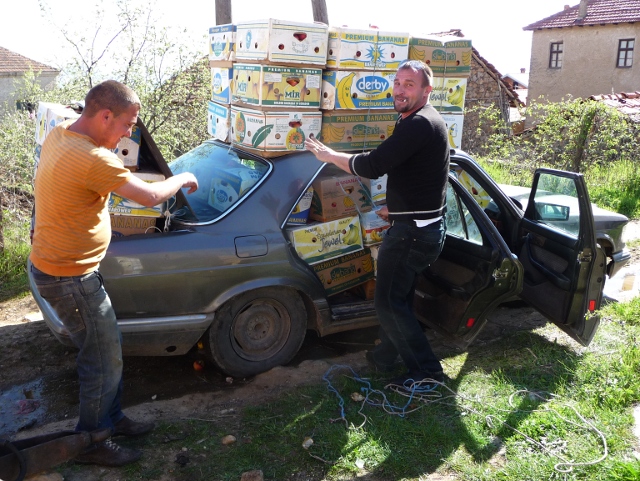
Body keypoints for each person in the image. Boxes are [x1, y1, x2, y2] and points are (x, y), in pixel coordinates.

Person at [29, 80, 198, 466]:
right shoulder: (94, 159)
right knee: (101, 359)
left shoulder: (62, 133)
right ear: (105, 116)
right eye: (126, 125)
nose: (127, 134)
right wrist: (183, 177)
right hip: (70, 278)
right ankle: (92, 441)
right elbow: (151, 197)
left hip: (61, 269)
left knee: (108, 350)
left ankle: (112, 418)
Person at [304, 60, 449, 389]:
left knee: (387, 304)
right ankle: (386, 356)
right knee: (399, 299)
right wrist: (395, 208)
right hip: (421, 227)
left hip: (412, 235)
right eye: (397, 83)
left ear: (427, 90)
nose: (400, 90)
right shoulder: (424, 119)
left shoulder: (419, 124)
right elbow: (426, 175)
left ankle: (427, 372)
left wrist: (329, 156)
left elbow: (373, 165)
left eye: (409, 85)